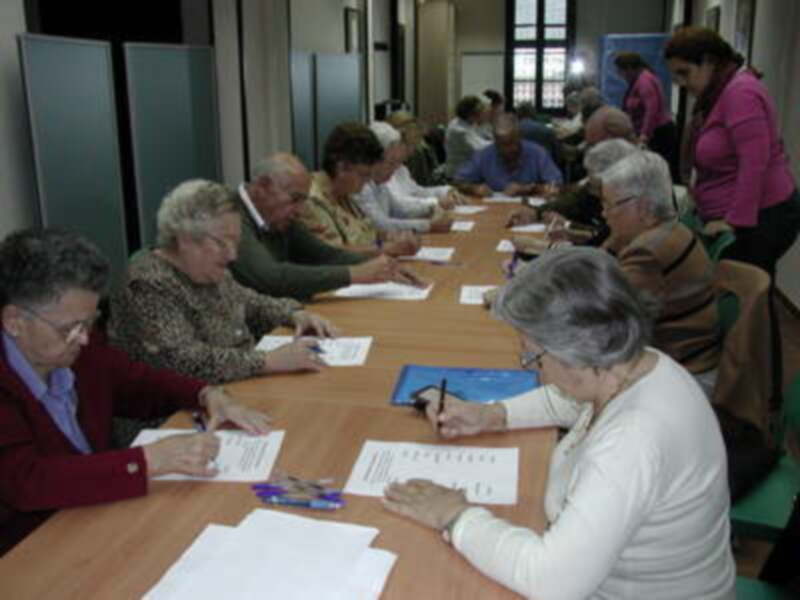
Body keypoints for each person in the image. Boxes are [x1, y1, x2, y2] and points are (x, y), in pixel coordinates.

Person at [383, 247, 735, 599]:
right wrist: (490, 415)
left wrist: (454, 515)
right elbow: (566, 402)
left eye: (534, 355)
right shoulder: (635, 365)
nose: (531, 367)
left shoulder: (633, 440)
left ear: (577, 352)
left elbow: (550, 581)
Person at [0, 229, 272, 555]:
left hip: (97, 515)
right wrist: (148, 460)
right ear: (15, 321)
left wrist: (206, 394)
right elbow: (27, 482)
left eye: (90, 323)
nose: (84, 339)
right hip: (31, 552)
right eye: (70, 328)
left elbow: (137, 382)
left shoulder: (77, 350)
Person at [109, 180, 337, 384]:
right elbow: (181, 361)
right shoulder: (147, 284)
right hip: (173, 417)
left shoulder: (205, 268)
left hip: (235, 389)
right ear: (184, 239)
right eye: (222, 243)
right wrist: (266, 361)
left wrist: (294, 314)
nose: (232, 255)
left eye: (235, 243)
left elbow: (248, 301)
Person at [664, 26, 800, 280]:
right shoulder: (719, 94)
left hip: (762, 216)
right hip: (739, 215)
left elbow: (754, 163)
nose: (682, 84)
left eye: (685, 73)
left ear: (709, 62)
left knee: (745, 297)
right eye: (676, 77)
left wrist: (734, 221)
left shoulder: (740, 93)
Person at [601, 150, 720, 395]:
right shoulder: (673, 229)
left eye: (609, 205)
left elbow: (606, 318)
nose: (604, 214)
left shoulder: (647, 252)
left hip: (685, 378)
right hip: (692, 362)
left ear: (643, 207)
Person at [229, 152, 421, 301]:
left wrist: (385, 265)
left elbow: (324, 254)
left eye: (302, 201)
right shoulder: (229, 215)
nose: (300, 210)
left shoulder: (278, 216)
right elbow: (271, 277)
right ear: (262, 186)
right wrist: (353, 274)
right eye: (295, 199)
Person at [297, 122, 420, 257]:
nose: (368, 181)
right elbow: (331, 252)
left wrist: (391, 236)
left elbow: (366, 233)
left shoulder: (345, 195)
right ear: (342, 167)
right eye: (364, 174)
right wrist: (388, 248)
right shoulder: (312, 200)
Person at [355, 122, 453, 234]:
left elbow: (398, 209)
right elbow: (379, 225)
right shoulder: (360, 186)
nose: (394, 170)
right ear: (373, 160)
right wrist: (427, 225)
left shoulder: (379, 181)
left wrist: (430, 208)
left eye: (397, 163)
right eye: (391, 163)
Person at [454, 113, 563, 197]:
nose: (507, 150)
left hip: (529, 211)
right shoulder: (485, 155)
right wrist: (474, 188)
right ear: (495, 141)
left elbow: (557, 185)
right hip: (494, 211)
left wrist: (529, 188)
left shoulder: (538, 153)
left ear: (519, 137)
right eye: (501, 145)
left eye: (511, 143)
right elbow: (458, 181)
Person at [615, 51, 679, 179]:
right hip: (653, 132)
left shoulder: (645, 81)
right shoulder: (637, 81)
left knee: (658, 174)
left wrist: (644, 135)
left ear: (629, 69)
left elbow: (652, 110)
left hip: (659, 134)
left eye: (620, 71)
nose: (620, 75)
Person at [385, 111, 463, 208]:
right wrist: (436, 202)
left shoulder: (401, 169)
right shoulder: (382, 170)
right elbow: (399, 204)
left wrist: (447, 190)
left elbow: (416, 191)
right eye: (409, 146)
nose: (411, 152)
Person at [443, 95, 492, 178]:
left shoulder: (464, 123)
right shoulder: (459, 131)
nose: (483, 115)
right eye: (481, 113)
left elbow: (480, 142)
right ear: (472, 114)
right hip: (459, 175)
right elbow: (479, 150)